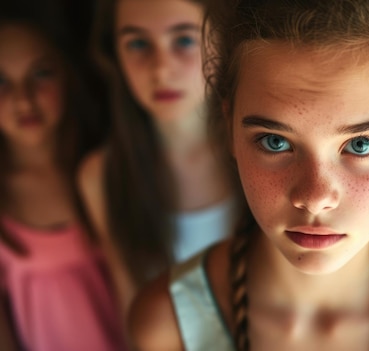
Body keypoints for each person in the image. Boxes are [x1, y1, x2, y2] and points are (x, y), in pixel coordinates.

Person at [128, 0, 369, 350]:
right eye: (275, 142)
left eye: (360, 145)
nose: (315, 195)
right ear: (229, 129)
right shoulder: (167, 325)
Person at [79, 0, 238, 322]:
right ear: (115, 55)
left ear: (223, 41)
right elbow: (132, 308)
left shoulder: (266, 151)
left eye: (184, 40)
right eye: (137, 43)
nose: (161, 69)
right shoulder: (102, 175)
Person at [0, 6, 125, 351]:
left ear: (68, 74)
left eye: (40, 73)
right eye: (1, 82)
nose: (23, 98)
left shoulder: (105, 169)